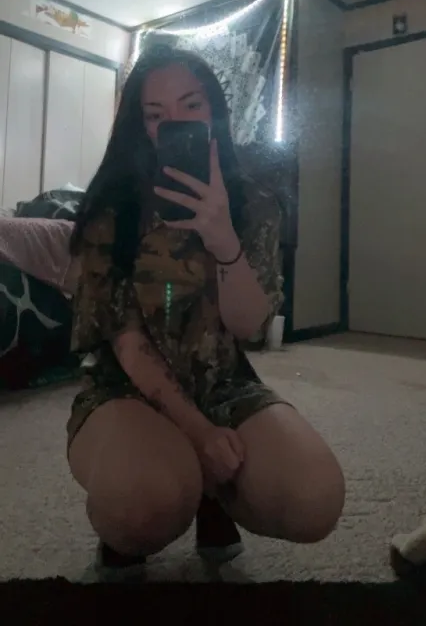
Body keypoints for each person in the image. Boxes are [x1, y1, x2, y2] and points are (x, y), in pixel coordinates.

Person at [67, 46, 345, 572]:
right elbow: (127, 343)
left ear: (215, 110)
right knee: (143, 502)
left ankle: (210, 495)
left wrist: (223, 238)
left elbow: (250, 327)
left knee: (315, 498)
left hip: (222, 382)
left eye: (191, 106)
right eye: (156, 114)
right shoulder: (114, 207)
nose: (175, 123)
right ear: (140, 126)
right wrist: (200, 434)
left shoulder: (254, 202)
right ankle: (164, 497)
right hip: (124, 388)